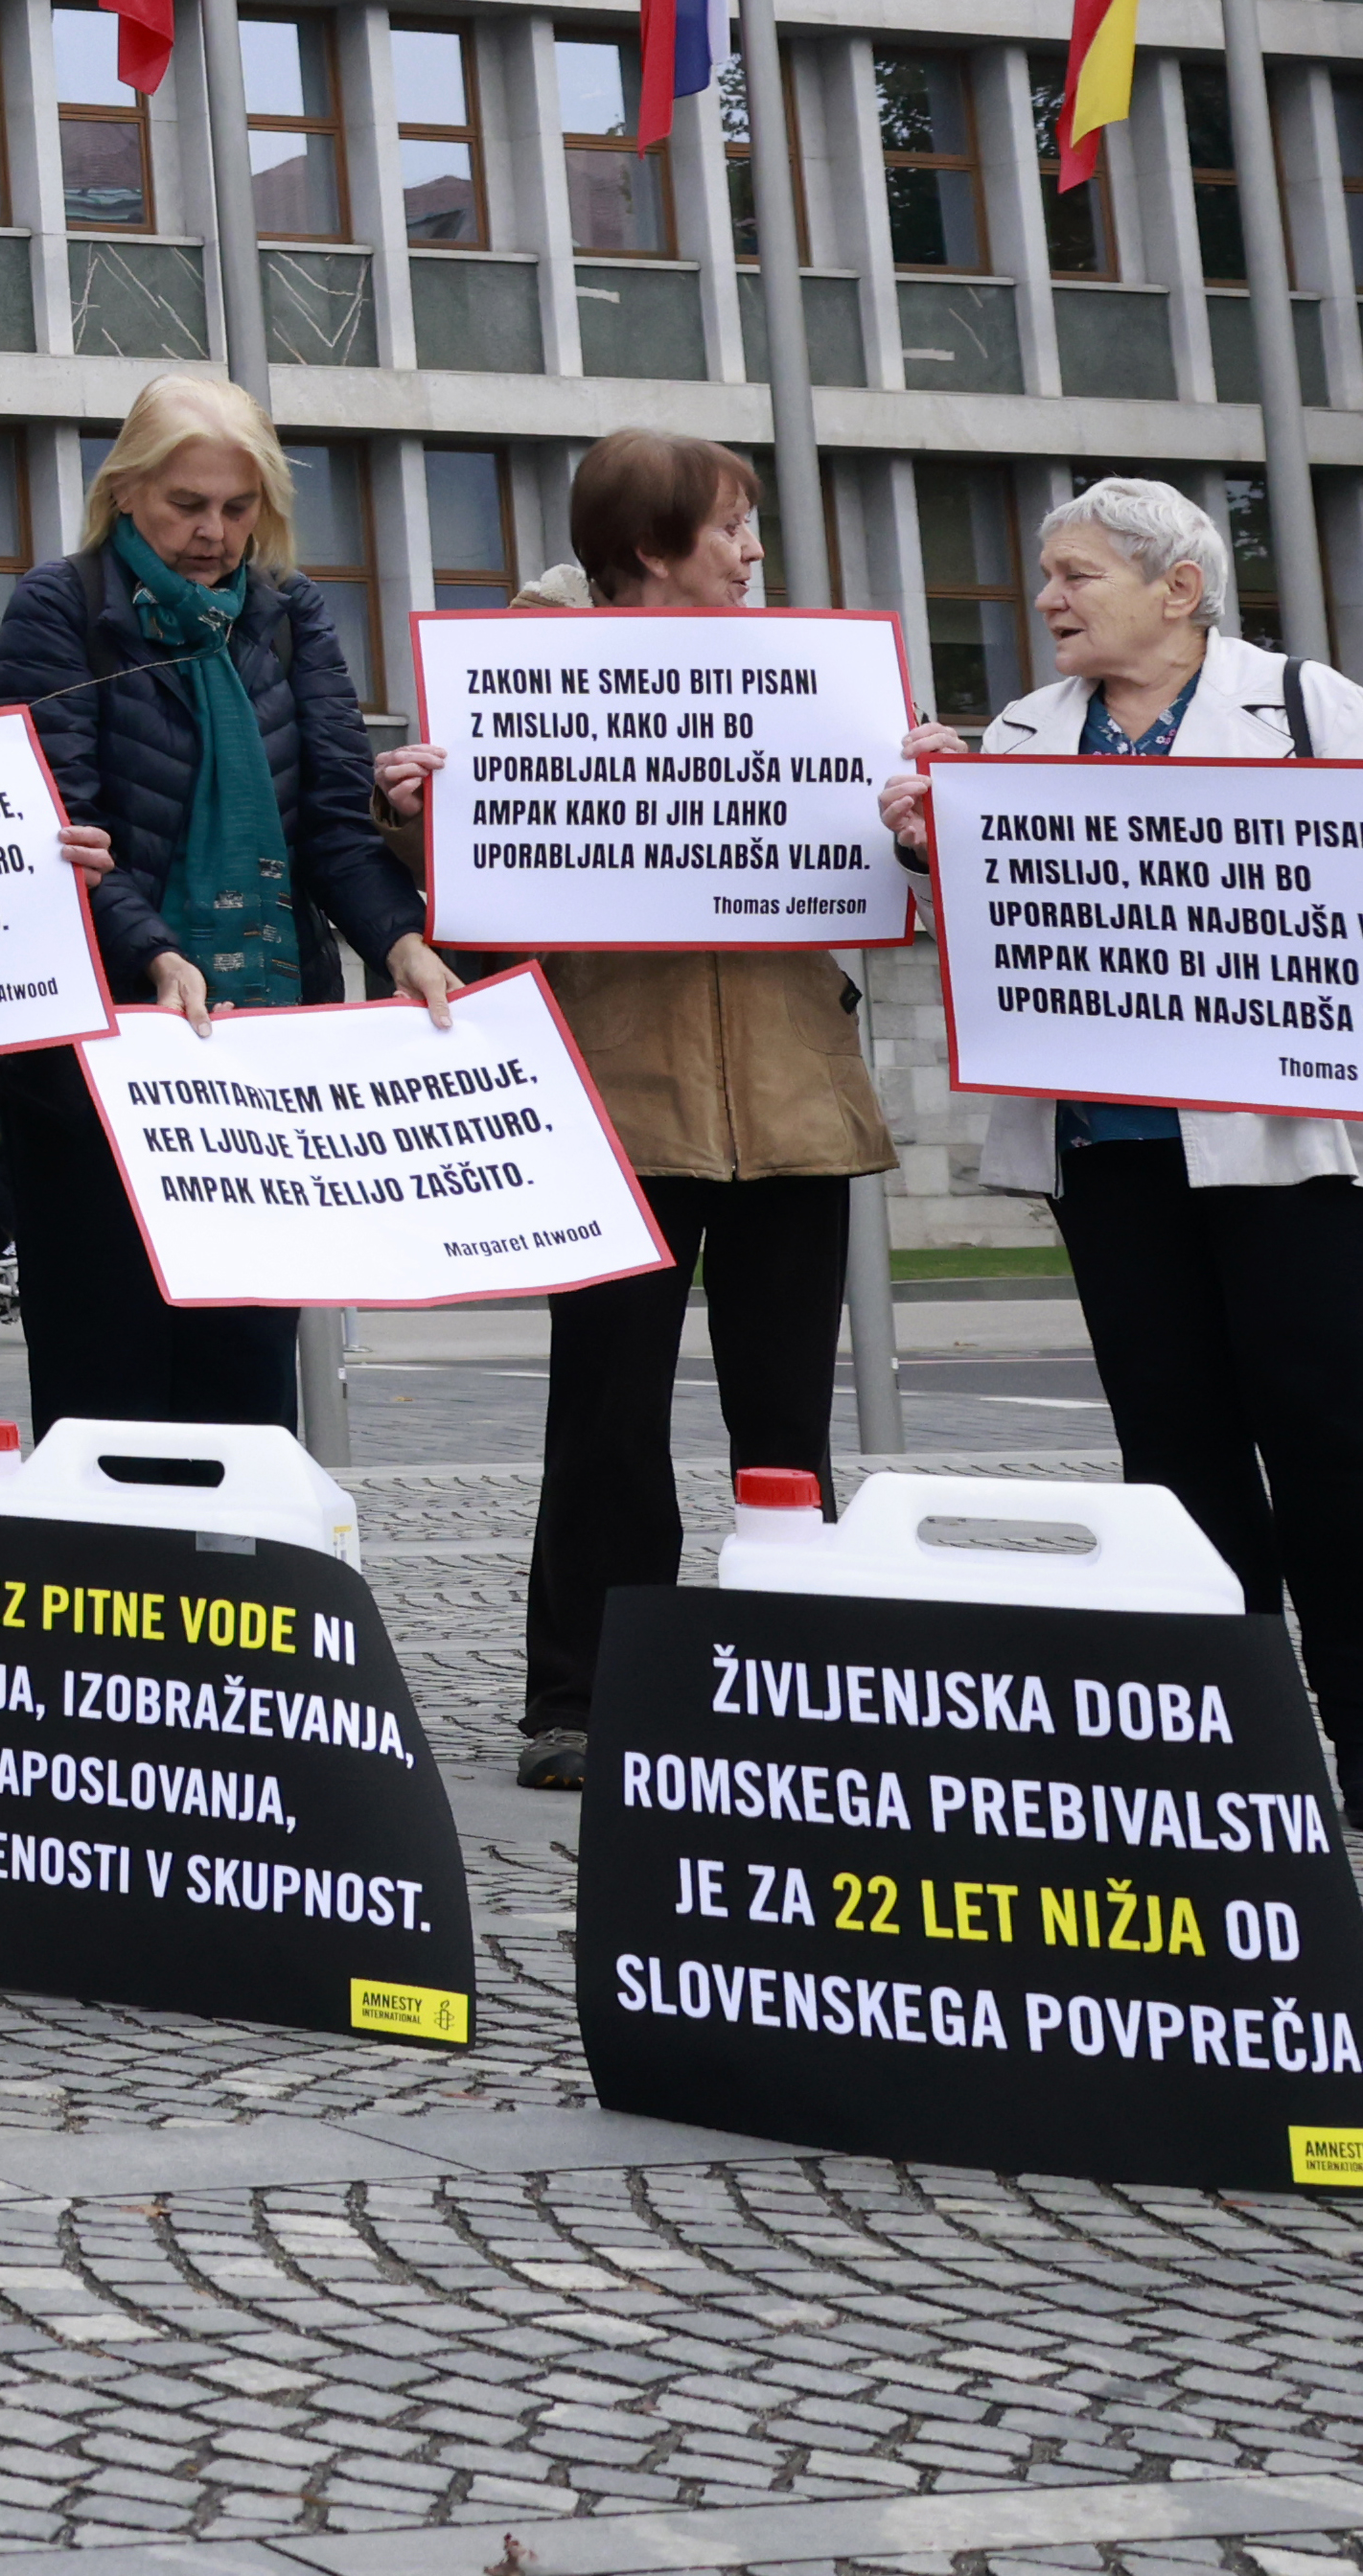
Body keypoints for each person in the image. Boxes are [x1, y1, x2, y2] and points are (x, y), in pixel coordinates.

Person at [876, 473, 1363, 1836]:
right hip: (1108, 1148)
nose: (1047, 599)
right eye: (1048, 575)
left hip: (1296, 1145)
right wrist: (928, 844)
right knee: (1172, 1444)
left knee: (1326, 1428)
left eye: (1074, 574)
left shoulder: (1307, 704)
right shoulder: (1018, 730)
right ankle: (1228, 1731)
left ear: (1177, 588)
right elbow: (1002, 928)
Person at [394, 437, 888, 1784]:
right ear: (651, 541)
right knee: (606, 1412)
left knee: (783, 1418)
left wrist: (915, 799)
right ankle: (580, 1695)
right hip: (615, 1097)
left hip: (793, 1100)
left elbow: (879, 857)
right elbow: (461, 901)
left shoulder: (810, 682)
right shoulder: (520, 676)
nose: (751, 550)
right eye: (730, 526)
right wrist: (415, 817)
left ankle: (799, 1687)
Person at [0, 371, 450, 1438]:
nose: (213, 532)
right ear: (129, 493)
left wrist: (401, 939)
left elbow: (332, 819)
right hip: (97, 1065)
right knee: (108, 1394)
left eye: (237, 508)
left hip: (259, 1069)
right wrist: (151, 953)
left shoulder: (287, 616)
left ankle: (240, 1591)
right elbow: (58, 824)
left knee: (244, 1393)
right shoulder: (60, 607)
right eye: (188, 505)